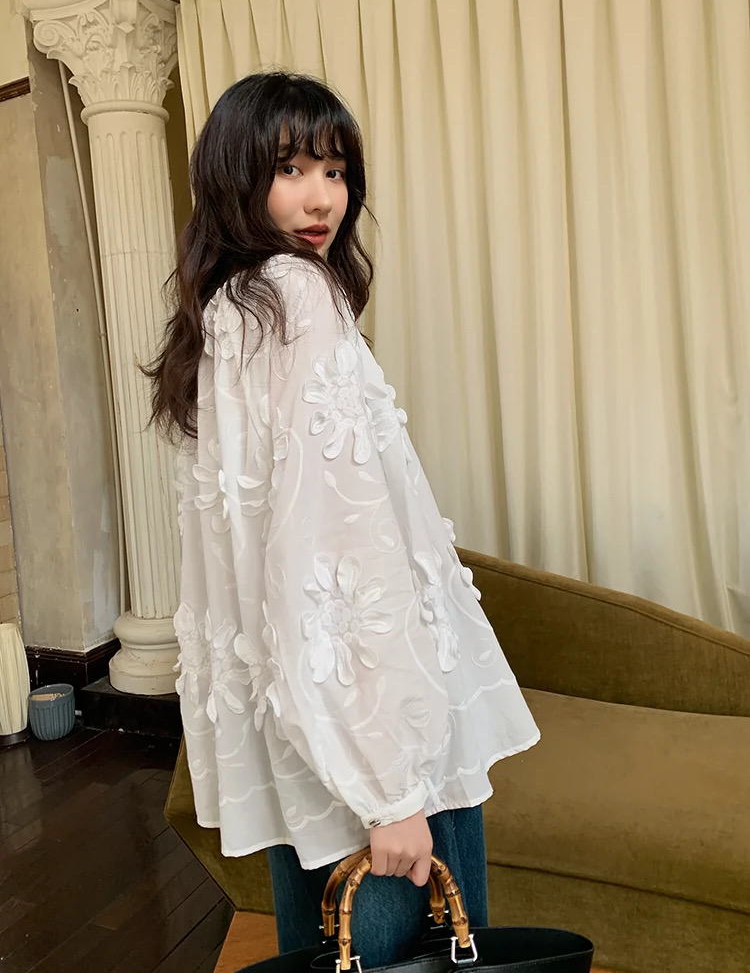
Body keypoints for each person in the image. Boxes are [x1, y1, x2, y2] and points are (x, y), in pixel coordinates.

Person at [143, 71, 540, 968]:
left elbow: (258, 558)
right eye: (290, 170)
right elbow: (334, 552)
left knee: (328, 945)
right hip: (375, 742)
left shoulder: (226, 310)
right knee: (418, 951)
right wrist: (389, 785)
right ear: (235, 179)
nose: (322, 198)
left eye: (335, 170)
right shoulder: (297, 296)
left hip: (302, 730)